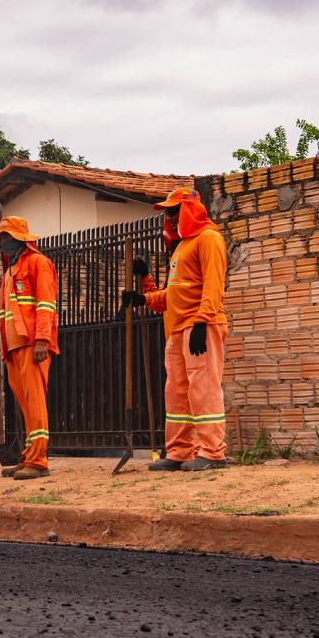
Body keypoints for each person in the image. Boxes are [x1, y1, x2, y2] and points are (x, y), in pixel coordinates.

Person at [122, 186, 229, 470]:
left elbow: (213, 286)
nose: (168, 218)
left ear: (190, 210)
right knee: (178, 393)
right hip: (178, 330)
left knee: (204, 389)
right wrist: (144, 291)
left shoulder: (209, 239)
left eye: (173, 212)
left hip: (200, 327)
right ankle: (180, 451)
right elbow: (172, 296)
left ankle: (212, 453)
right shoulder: (181, 247)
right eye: (167, 213)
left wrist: (201, 322)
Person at [0, 216, 59, 479]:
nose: (2, 242)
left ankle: (38, 460)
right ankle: (29, 455)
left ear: (20, 238)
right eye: (0, 238)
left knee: (35, 402)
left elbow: (46, 304)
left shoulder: (38, 263)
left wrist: (42, 340)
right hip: (14, 346)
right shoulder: (11, 269)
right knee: (25, 403)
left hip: (32, 344)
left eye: (6, 237)